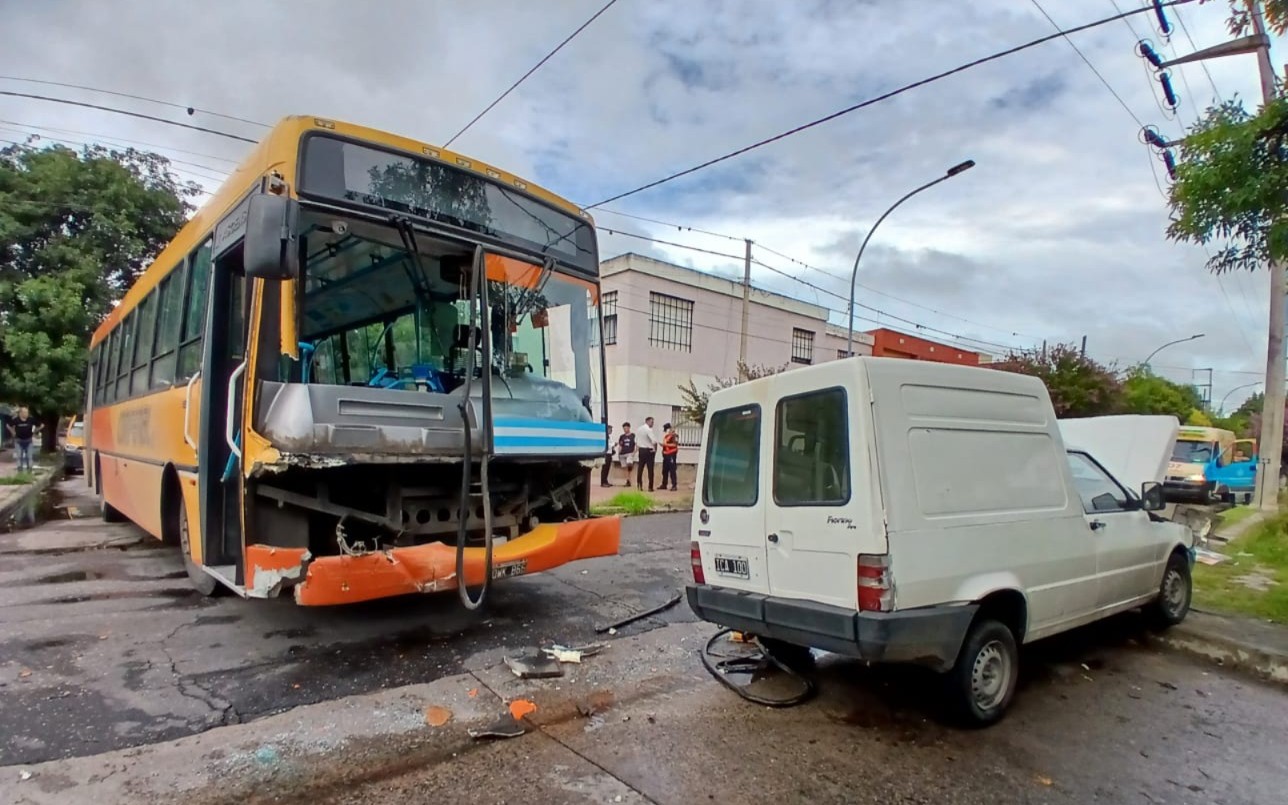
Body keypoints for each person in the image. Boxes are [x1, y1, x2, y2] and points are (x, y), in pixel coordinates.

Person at [7, 406, 39, 474]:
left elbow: (41, 425)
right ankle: (20, 471)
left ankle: (29, 470)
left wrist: (34, 432)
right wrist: (13, 432)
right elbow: (8, 425)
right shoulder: (16, 420)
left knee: (29, 456)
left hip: (28, 441)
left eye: (27, 412)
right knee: (19, 456)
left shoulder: (31, 419)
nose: (26, 414)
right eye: (25, 412)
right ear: (20, 413)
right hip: (18, 441)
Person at [636, 416, 657, 492]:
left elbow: (636, 440)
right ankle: (650, 487)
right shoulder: (648, 430)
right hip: (649, 450)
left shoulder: (639, 429)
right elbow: (654, 441)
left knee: (640, 468)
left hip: (641, 450)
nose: (652, 424)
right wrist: (655, 449)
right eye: (652, 422)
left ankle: (639, 485)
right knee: (650, 469)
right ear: (647, 421)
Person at [616, 423, 636, 487]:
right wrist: (618, 453)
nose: (625, 429)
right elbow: (620, 445)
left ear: (629, 428)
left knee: (629, 464)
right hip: (622, 453)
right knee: (624, 467)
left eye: (626, 428)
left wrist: (634, 452)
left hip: (629, 453)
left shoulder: (633, 436)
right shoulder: (622, 436)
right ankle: (627, 480)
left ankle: (630, 478)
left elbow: (636, 444)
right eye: (624, 428)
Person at [661, 422, 680, 491]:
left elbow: (675, 445)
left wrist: (665, 445)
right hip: (665, 455)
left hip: (671, 455)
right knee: (664, 470)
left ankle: (674, 485)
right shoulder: (666, 436)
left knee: (672, 470)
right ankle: (664, 484)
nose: (667, 431)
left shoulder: (675, 436)